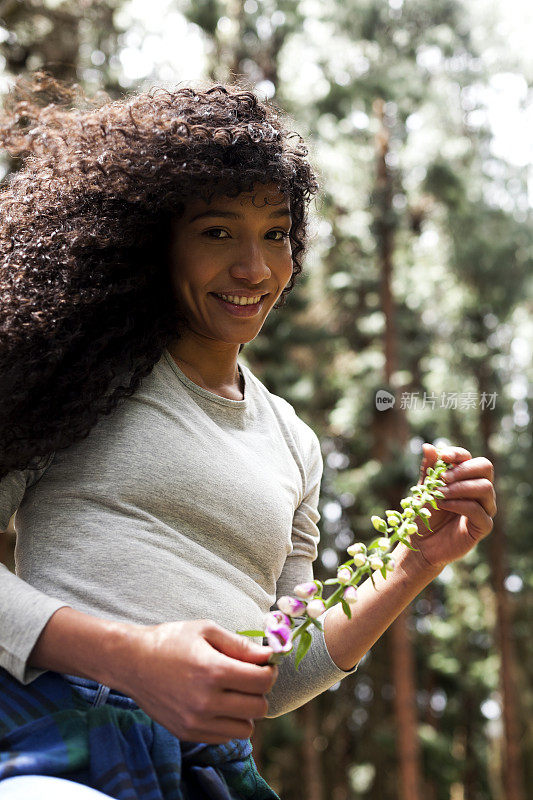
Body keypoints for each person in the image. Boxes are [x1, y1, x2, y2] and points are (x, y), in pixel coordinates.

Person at [0, 72, 497, 799]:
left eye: (274, 234)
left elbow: (277, 671)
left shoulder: (294, 442)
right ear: (152, 243)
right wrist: (131, 656)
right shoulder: (78, 372)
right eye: (216, 232)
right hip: (62, 742)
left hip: (212, 774)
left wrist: (412, 566)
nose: (252, 268)